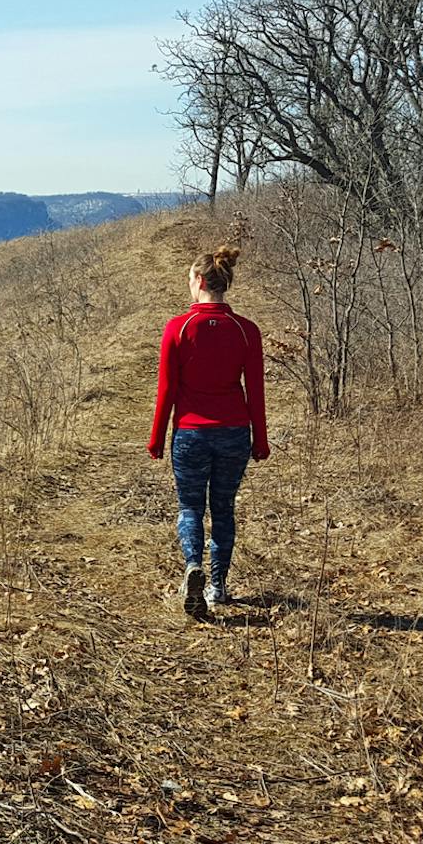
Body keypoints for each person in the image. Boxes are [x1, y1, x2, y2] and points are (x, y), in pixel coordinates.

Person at [147, 245, 269, 618]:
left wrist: (156, 438)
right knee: (223, 510)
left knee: (190, 507)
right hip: (234, 432)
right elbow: (256, 389)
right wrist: (260, 439)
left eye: (189, 279)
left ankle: (191, 568)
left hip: (190, 434)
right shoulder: (246, 331)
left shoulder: (178, 328)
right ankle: (217, 587)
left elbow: (166, 389)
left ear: (199, 281)